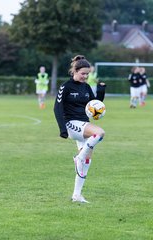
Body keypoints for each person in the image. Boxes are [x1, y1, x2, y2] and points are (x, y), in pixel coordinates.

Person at [54, 55, 106, 203]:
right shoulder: (66, 86)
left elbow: (93, 105)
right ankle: (79, 157)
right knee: (100, 133)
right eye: (83, 73)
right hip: (71, 124)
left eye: (87, 74)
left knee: (87, 161)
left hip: (83, 124)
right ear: (75, 71)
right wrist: (62, 128)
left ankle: (76, 195)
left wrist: (101, 92)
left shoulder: (86, 87)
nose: (85, 76)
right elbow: (57, 108)